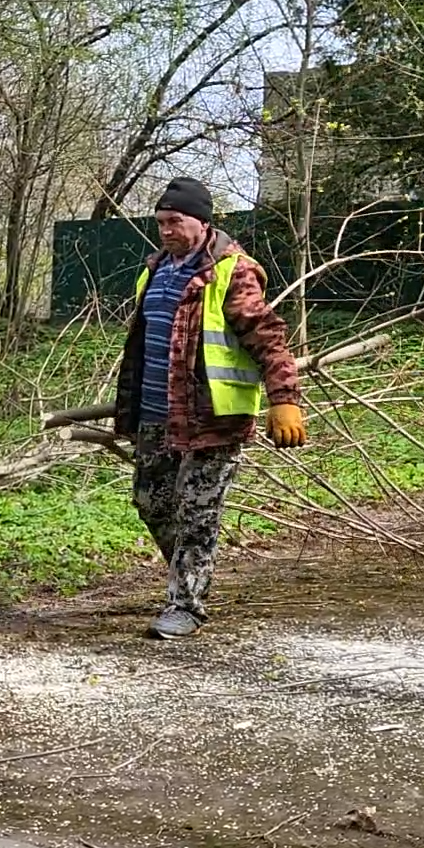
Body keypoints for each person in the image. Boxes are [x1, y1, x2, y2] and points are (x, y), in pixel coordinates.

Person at [113, 176, 305, 640]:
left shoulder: (231, 271)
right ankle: (187, 575)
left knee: (198, 512)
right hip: (157, 416)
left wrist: (284, 400)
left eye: (174, 221)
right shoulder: (155, 270)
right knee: (151, 502)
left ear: (201, 221)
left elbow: (267, 335)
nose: (165, 230)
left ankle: (187, 605)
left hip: (213, 420)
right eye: (160, 222)